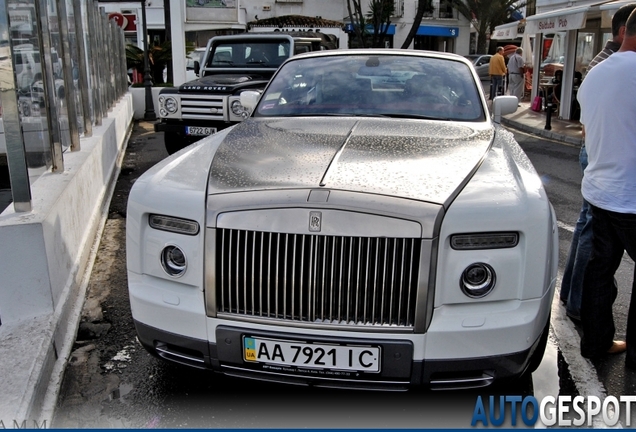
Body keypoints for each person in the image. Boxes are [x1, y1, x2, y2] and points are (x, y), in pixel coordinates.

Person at [559, 3, 636, 323]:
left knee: (598, 264)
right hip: (629, 192)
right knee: (593, 252)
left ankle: (594, 338)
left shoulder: (595, 71)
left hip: (601, 185)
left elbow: (588, 129)